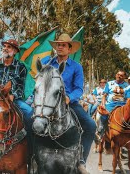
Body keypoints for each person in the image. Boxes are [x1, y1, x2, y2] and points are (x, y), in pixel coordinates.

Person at [41, 33, 96, 173]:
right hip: (48, 101)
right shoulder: (47, 62)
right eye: (58, 45)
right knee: (31, 120)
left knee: (90, 125)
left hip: (69, 103)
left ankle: (81, 160)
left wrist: (69, 98)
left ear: (70, 49)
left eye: (63, 45)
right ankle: (30, 155)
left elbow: (79, 88)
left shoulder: (77, 67)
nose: (60, 47)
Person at [0, 39, 34, 162]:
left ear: (14, 51)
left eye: (9, 47)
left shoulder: (21, 67)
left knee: (30, 115)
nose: (5, 48)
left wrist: (13, 95)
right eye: (4, 46)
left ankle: (31, 151)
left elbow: (21, 88)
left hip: (12, 100)